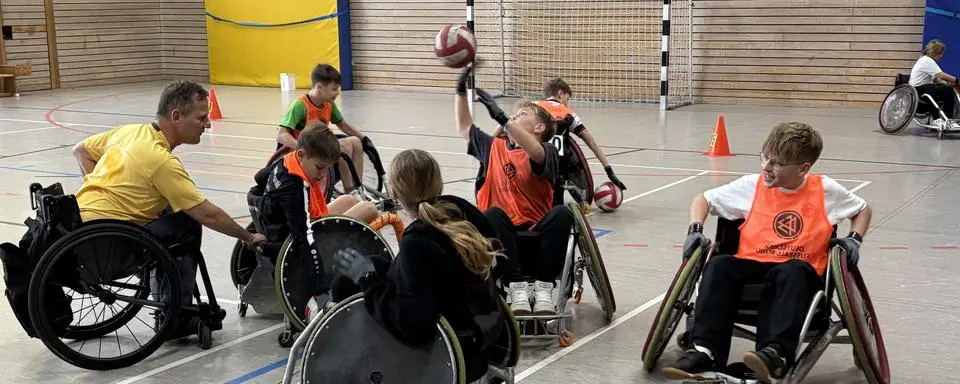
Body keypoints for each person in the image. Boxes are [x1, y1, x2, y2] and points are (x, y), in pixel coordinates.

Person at [665, 122, 871, 382]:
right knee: (720, 265)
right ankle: (705, 351)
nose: (766, 167)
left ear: (803, 168)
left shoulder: (825, 190)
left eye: (777, 163)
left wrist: (854, 239)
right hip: (752, 267)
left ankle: (775, 355)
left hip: (799, 276)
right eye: (765, 157)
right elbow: (703, 199)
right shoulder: (752, 185)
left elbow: (862, 209)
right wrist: (695, 228)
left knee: (792, 270)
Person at [71, 80, 266, 338]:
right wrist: (249, 237)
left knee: (167, 214)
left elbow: (80, 150)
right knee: (186, 226)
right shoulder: (160, 161)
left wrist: (105, 191)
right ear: (176, 116)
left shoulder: (128, 132)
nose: (208, 124)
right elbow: (206, 213)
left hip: (81, 227)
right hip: (109, 247)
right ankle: (176, 314)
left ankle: (169, 304)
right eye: (201, 117)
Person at [330, 148, 506, 382]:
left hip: (448, 353)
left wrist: (368, 279)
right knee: (378, 264)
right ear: (439, 184)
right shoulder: (463, 212)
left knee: (357, 279)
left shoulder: (418, 243)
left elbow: (413, 326)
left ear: (393, 192)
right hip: (483, 337)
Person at [456, 66, 574, 316]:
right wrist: (459, 92)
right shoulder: (493, 148)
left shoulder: (547, 152)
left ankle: (543, 290)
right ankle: (516, 288)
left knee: (562, 213)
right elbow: (465, 128)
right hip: (501, 237)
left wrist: (503, 119)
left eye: (522, 114)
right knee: (493, 213)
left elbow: (535, 152)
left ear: (539, 128)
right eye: (514, 115)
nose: (515, 117)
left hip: (536, 233)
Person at [249, 122, 379, 265]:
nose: (323, 174)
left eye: (327, 168)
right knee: (369, 209)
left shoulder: (287, 161)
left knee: (349, 200)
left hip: (281, 226)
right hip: (303, 239)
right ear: (301, 155)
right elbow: (302, 237)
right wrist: (316, 268)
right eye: (319, 167)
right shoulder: (295, 188)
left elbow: (259, 178)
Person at [276, 63, 374, 194]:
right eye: (334, 89)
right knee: (343, 147)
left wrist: (364, 138)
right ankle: (349, 190)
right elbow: (281, 135)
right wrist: (302, 148)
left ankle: (358, 188)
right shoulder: (300, 105)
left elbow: (343, 125)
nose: (338, 93)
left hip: (321, 147)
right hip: (305, 152)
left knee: (355, 142)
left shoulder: (328, 104)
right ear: (319, 87)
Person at [536, 78, 626, 191]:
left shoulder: (532, 107)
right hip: (557, 170)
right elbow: (591, 142)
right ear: (560, 93)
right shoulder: (567, 113)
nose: (567, 104)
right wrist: (608, 170)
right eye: (567, 99)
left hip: (532, 165)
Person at [908, 39, 959, 128]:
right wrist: (956, 80)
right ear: (935, 52)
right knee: (930, 87)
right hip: (916, 91)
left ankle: (948, 119)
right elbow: (941, 75)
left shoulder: (926, 60)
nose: (942, 56)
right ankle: (937, 119)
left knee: (947, 89)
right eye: (941, 53)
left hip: (923, 89)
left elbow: (936, 78)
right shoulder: (926, 60)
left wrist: (946, 84)